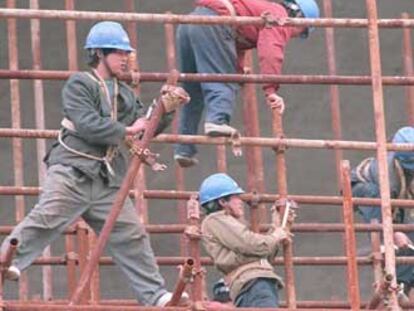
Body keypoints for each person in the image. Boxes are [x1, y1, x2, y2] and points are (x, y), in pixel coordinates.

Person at [0, 21, 188, 307]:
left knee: (131, 235)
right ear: (99, 53)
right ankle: (6, 266)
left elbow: (145, 127)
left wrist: (164, 111)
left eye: (127, 53)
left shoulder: (125, 94)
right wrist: (126, 130)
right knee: (46, 217)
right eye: (117, 52)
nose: (125, 58)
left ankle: (154, 295)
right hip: (73, 171)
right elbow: (88, 125)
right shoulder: (80, 84)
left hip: (106, 180)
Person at [174, 0, 320, 167]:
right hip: (213, 25)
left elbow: (234, 42)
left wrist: (239, 69)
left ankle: (184, 148)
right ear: (298, 17)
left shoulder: (260, 10)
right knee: (224, 80)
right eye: (302, 31)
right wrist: (271, 90)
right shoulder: (280, 17)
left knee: (192, 89)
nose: (294, 36)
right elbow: (271, 52)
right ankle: (217, 120)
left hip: (189, 23)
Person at [198, 173, 296, 307]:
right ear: (222, 201)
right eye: (236, 197)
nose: (241, 201)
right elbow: (251, 244)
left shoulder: (225, 223)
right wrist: (276, 235)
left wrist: (276, 226)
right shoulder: (215, 220)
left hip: (254, 284)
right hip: (254, 284)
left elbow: (261, 255)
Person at [351, 126, 414, 295]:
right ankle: (385, 245)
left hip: (393, 199)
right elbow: (388, 208)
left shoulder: (407, 170)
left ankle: (402, 284)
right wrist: (396, 235)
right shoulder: (386, 172)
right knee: (377, 200)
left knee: (408, 239)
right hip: (361, 187)